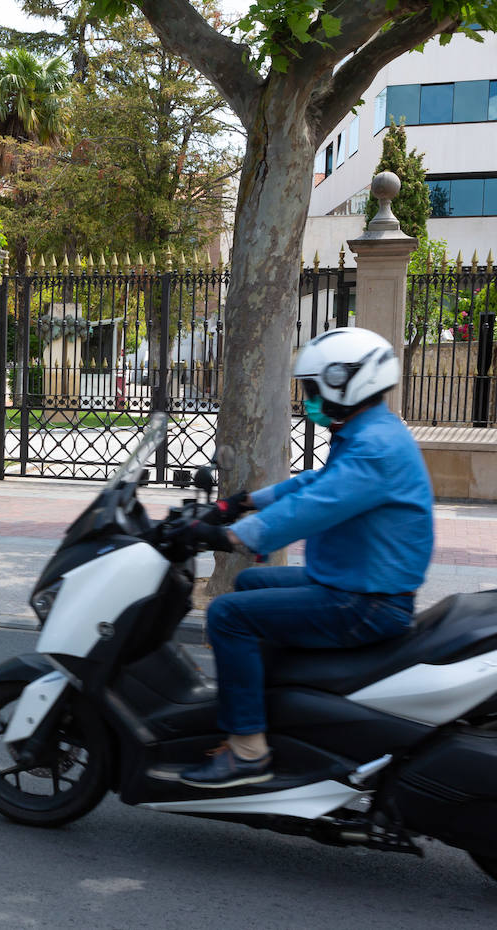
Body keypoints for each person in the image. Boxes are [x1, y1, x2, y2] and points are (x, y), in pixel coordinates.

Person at [174, 327, 434, 789]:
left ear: (342, 384)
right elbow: (313, 485)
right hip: (351, 583)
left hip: (367, 602)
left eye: (312, 390)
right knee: (252, 587)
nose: (308, 399)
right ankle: (276, 710)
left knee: (230, 616)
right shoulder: (369, 432)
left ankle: (248, 752)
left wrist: (228, 536)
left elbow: (314, 508)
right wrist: (241, 502)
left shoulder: (374, 448)